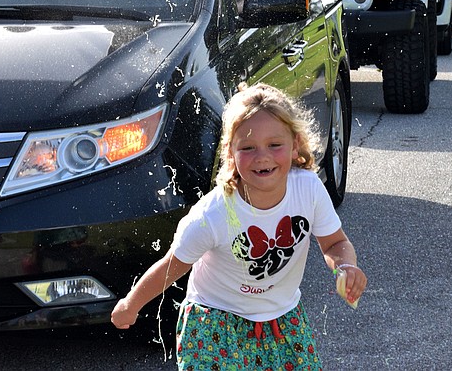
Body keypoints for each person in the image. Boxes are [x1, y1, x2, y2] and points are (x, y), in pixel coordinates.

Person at [111, 83, 367, 370]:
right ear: (230, 152)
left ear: (295, 144)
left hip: (283, 319)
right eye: (247, 147)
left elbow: (334, 243)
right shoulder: (214, 214)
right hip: (215, 322)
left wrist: (345, 266)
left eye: (274, 144)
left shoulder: (307, 190)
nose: (262, 157)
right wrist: (130, 304)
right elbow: (172, 266)